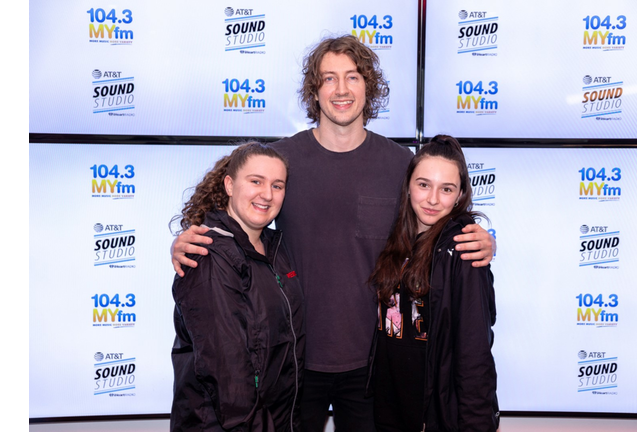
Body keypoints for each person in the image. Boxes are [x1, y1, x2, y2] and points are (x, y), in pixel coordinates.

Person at [171, 35, 495, 431]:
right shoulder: (282, 160)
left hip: (374, 362)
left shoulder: (399, 163)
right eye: (329, 79)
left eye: (353, 77)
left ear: (368, 86)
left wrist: (477, 234)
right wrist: (190, 235)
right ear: (315, 90)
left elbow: (433, 217)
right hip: (292, 361)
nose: (341, 90)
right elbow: (236, 215)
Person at [169, 142, 305, 431]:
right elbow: (229, 381)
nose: (267, 195)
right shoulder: (208, 255)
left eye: (277, 186)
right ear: (229, 185)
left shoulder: (275, 250)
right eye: (256, 181)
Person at [368, 135, 499, 432]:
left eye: (447, 189)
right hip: (388, 409)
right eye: (424, 184)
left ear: (460, 194)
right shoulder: (396, 238)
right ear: (409, 185)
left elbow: (474, 350)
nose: (432, 199)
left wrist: (477, 423)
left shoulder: (463, 249)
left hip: (432, 415)